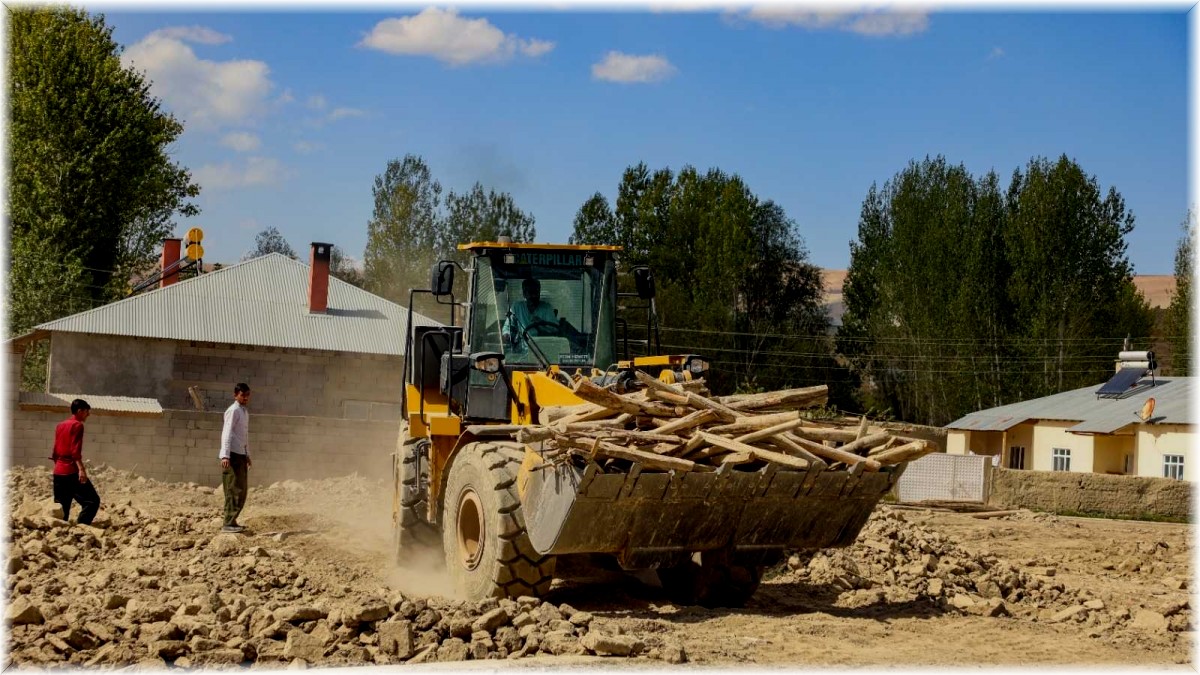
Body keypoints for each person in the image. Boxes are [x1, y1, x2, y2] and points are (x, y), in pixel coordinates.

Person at [50, 399, 101, 525]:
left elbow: (55, 450)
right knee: (92, 501)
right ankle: (82, 527)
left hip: (58, 472)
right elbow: (75, 451)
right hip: (71, 471)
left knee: (62, 509)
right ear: (80, 411)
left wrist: (58, 467)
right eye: (86, 412)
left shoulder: (60, 425)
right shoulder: (77, 425)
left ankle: (58, 537)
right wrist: (81, 470)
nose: (88, 415)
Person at [219, 383, 252, 533]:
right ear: (236, 395)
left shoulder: (244, 412)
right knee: (232, 489)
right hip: (232, 455)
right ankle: (228, 522)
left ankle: (233, 521)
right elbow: (226, 433)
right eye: (242, 395)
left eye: (247, 395)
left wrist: (247, 454)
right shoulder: (233, 411)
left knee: (242, 489)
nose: (245, 398)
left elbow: (244, 435)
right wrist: (225, 455)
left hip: (241, 454)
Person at [503, 278, 560, 346]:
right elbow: (508, 326)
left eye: (536, 292)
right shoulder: (516, 307)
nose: (534, 296)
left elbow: (555, 329)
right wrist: (507, 334)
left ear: (539, 292)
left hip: (543, 348)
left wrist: (542, 323)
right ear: (524, 294)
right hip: (522, 350)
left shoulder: (547, 308)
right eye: (530, 292)